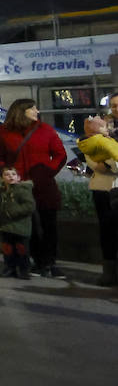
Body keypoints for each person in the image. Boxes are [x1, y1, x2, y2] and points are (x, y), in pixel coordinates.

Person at [0, 99, 66, 278]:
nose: (37, 111)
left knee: (48, 225)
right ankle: (28, 262)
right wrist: (6, 174)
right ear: (21, 111)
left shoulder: (45, 130)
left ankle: (49, 263)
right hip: (17, 188)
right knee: (22, 226)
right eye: (32, 108)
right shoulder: (4, 132)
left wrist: (46, 172)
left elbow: (59, 154)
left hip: (43, 186)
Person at [77, 116, 118, 286]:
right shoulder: (91, 141)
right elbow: (97, 165)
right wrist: (111, 162)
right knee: (107, 230)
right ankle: (109, 272)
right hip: (103, 189)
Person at [0, 167, 35, 279]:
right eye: (7, 174)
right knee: (8, 249)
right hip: (7, 226)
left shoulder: (22, 190)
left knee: (21, 249)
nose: (11, 176)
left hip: (20, 227)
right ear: (2, 178)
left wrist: (14, 212)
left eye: (13, 174)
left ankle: (24, 269)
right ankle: (9, 267)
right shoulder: (2, 192)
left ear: (18, 177)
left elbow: (30, 206)